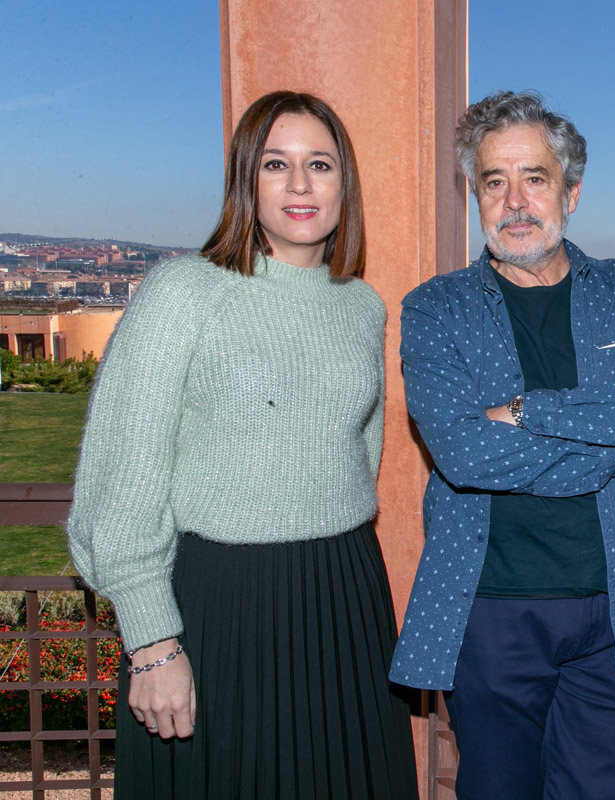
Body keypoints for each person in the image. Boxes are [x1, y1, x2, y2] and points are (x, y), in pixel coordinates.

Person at [67, 91, 418, 799]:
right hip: (217, 607)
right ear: (244, 182)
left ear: (343, 183)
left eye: (318, 164)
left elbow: (356, 455)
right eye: (275, 164)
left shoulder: (362, 306)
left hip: (342, 596)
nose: (298, 184)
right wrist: (152, 644)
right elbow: (121, 477)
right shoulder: (183, 292)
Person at [390, 90, 615, 799]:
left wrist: (521, 411)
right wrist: (614, 436)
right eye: (494, 181)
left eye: (535, 178)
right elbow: (464, 455)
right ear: (476, 196)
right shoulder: (435, 309)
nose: (514, 200)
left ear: (571, 192)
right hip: (492, 611)